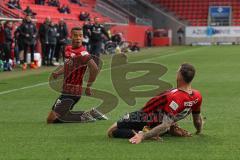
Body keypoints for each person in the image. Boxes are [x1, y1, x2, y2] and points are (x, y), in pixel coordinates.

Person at [107, 63, 203, 144]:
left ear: (180, 76)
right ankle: (166, 129)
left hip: (144, 116)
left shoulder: (175, 97)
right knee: (165, 123)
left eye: (178, 71)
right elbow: (197, 120)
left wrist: (143, 136)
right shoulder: (197, 95)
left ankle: (148, 132)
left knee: (111, 131)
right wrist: (198, 131)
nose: (176, 72)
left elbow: (165, 124)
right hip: (157, 119)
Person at [46, 27, 107, 123]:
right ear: (71, 36)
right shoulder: (68, 49)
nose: (78, 38)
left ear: (83, 37)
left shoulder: (83, 53)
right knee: (58, 115)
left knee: (51, 119)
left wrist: (88, 86)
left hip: (73, 91)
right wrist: (58, 73)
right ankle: (91, 113)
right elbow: (68, 65)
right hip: (66, 89)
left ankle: (89, 115)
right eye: (75, 35)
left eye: (80, 36)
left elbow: (95, 69)